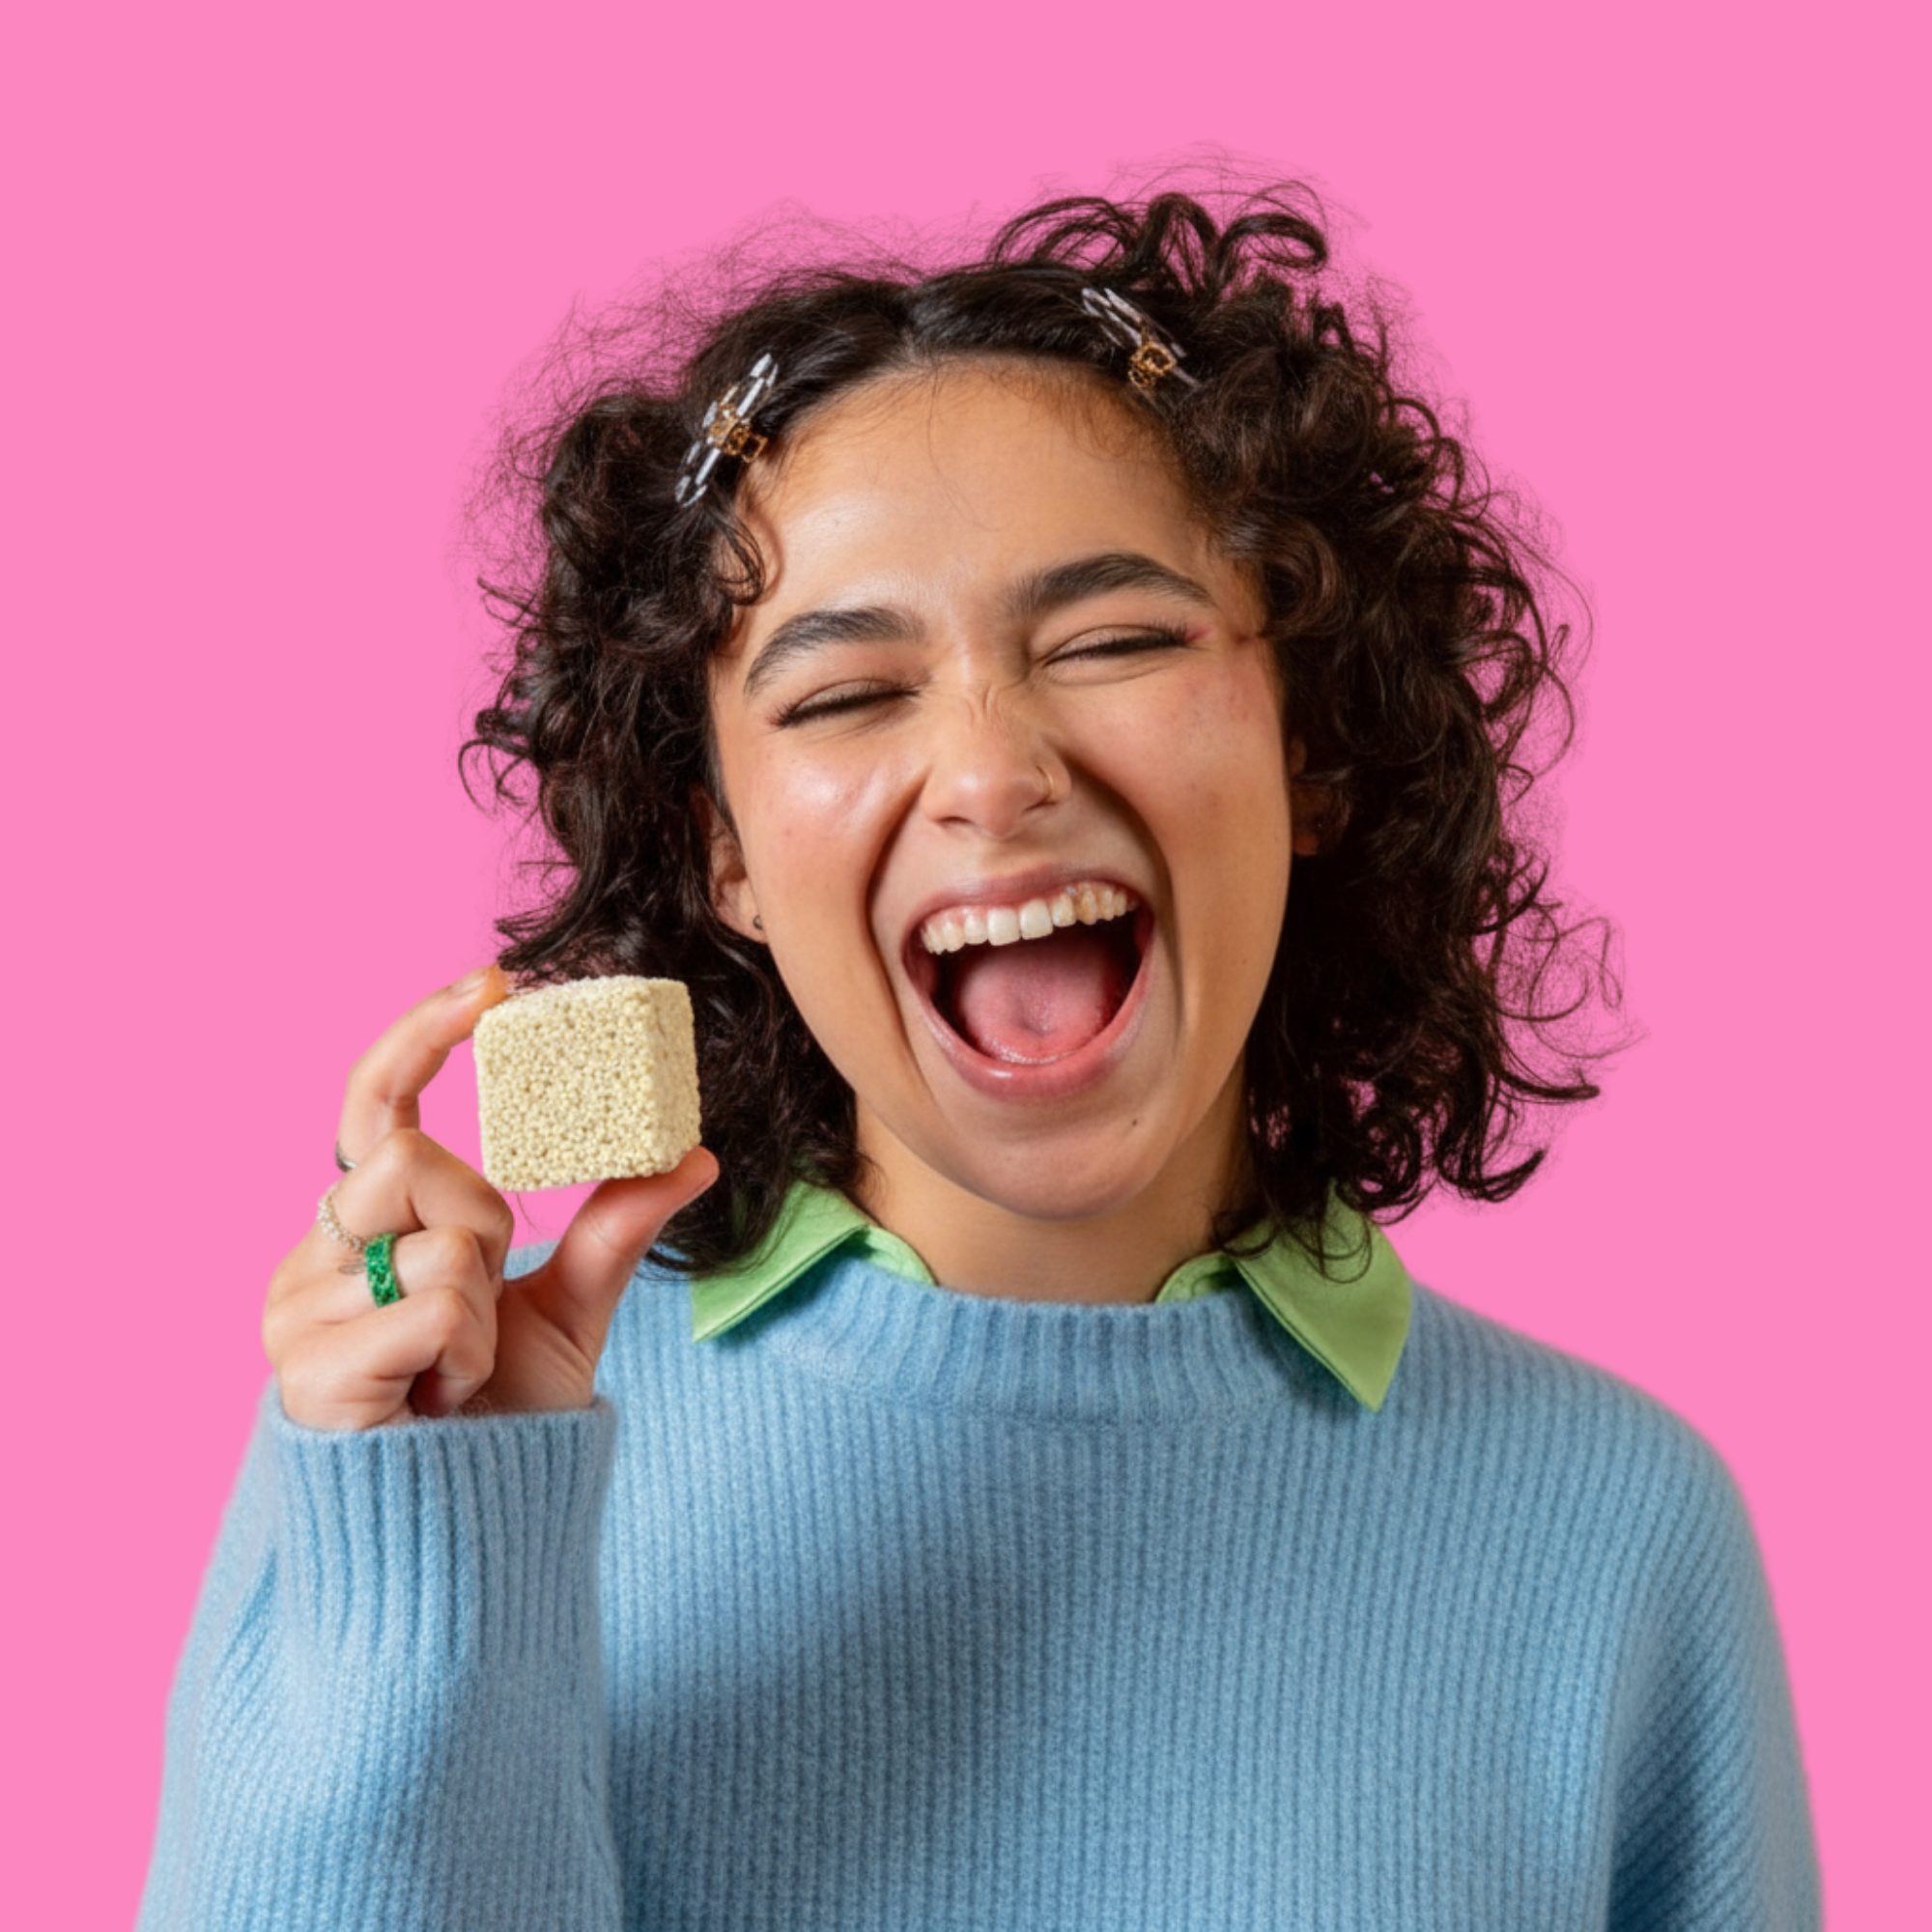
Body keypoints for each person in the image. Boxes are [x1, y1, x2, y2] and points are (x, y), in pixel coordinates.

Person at [139, 185, 1820, 1929]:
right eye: (845, 694)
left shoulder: (1617, 1524)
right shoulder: (432, 1445)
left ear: (1313, 743)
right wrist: (440, 1547)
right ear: (722, 851)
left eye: (1112, 643)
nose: (992, 769)